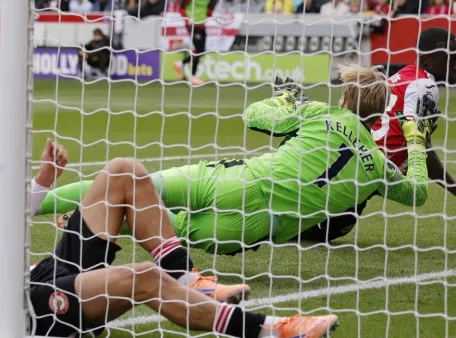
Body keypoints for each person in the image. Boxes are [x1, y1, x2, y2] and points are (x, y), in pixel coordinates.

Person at [0, 139, 338, 338]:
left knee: (125, 172)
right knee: (140, 279)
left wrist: (40, 186)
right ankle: (272, 331)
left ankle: (190, 280)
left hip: (41, 279)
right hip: (32, 315)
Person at [37, 65, 435, 255]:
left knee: (127, 183)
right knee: (148, 222)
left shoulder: (322, 112)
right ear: (380, 114)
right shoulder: (380, 167)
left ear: (346, 98)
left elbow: (253, 117)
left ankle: (29, 204)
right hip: (251, 227)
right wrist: (415, 143)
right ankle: (86, 221)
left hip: (235, 180)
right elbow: (418, 194)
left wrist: (285, 99)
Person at [302, 28, 456, 242]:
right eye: (451, 57)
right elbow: (421, 148)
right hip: (371, 167)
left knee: (334, 224)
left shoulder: (406, 75)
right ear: (428, 61)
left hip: (359, 157)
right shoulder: (425, 85)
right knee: (328, 226)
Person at [173, 0, 214, 86]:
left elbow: (210, 8)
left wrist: (208, 16)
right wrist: (188, 19)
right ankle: (193, 76)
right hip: (191, 24)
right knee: (198, 50)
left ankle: (180, 64)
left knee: (201, 50)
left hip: (202, 24)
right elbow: (181, 8)